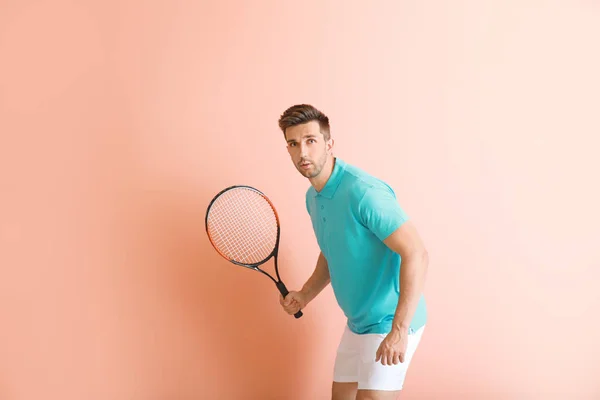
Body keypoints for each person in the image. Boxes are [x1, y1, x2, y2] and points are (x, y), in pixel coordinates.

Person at [277, 104, 429, 400]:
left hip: (389, 320)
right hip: (358, 323)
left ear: (329, 144)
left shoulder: (363, 192)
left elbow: (417, 253)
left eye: (311, 141)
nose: (302, 153)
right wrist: (305, 294)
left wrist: (398, 331)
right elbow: (332, 251)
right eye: (293, 144)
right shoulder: (314, 197)